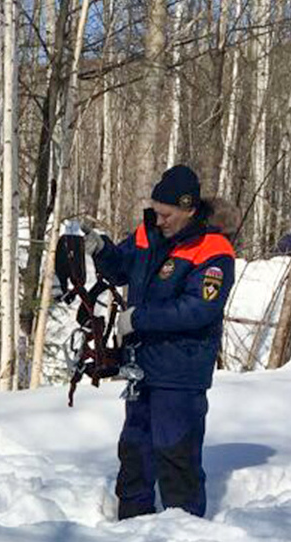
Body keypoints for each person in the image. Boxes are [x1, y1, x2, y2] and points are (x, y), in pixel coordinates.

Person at [89, 164, 236, 520]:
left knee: (176, 454)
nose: (160, 219)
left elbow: (197, 308)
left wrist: (137, 319)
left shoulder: (213, 250)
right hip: (142, 366)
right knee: (134, 451)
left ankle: (183, 531)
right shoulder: (147, 232)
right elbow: (122, 266)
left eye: (167, 214)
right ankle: (131, 525)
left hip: (180, 370)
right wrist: (101, 249)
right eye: (156, 211)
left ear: (189, 210)